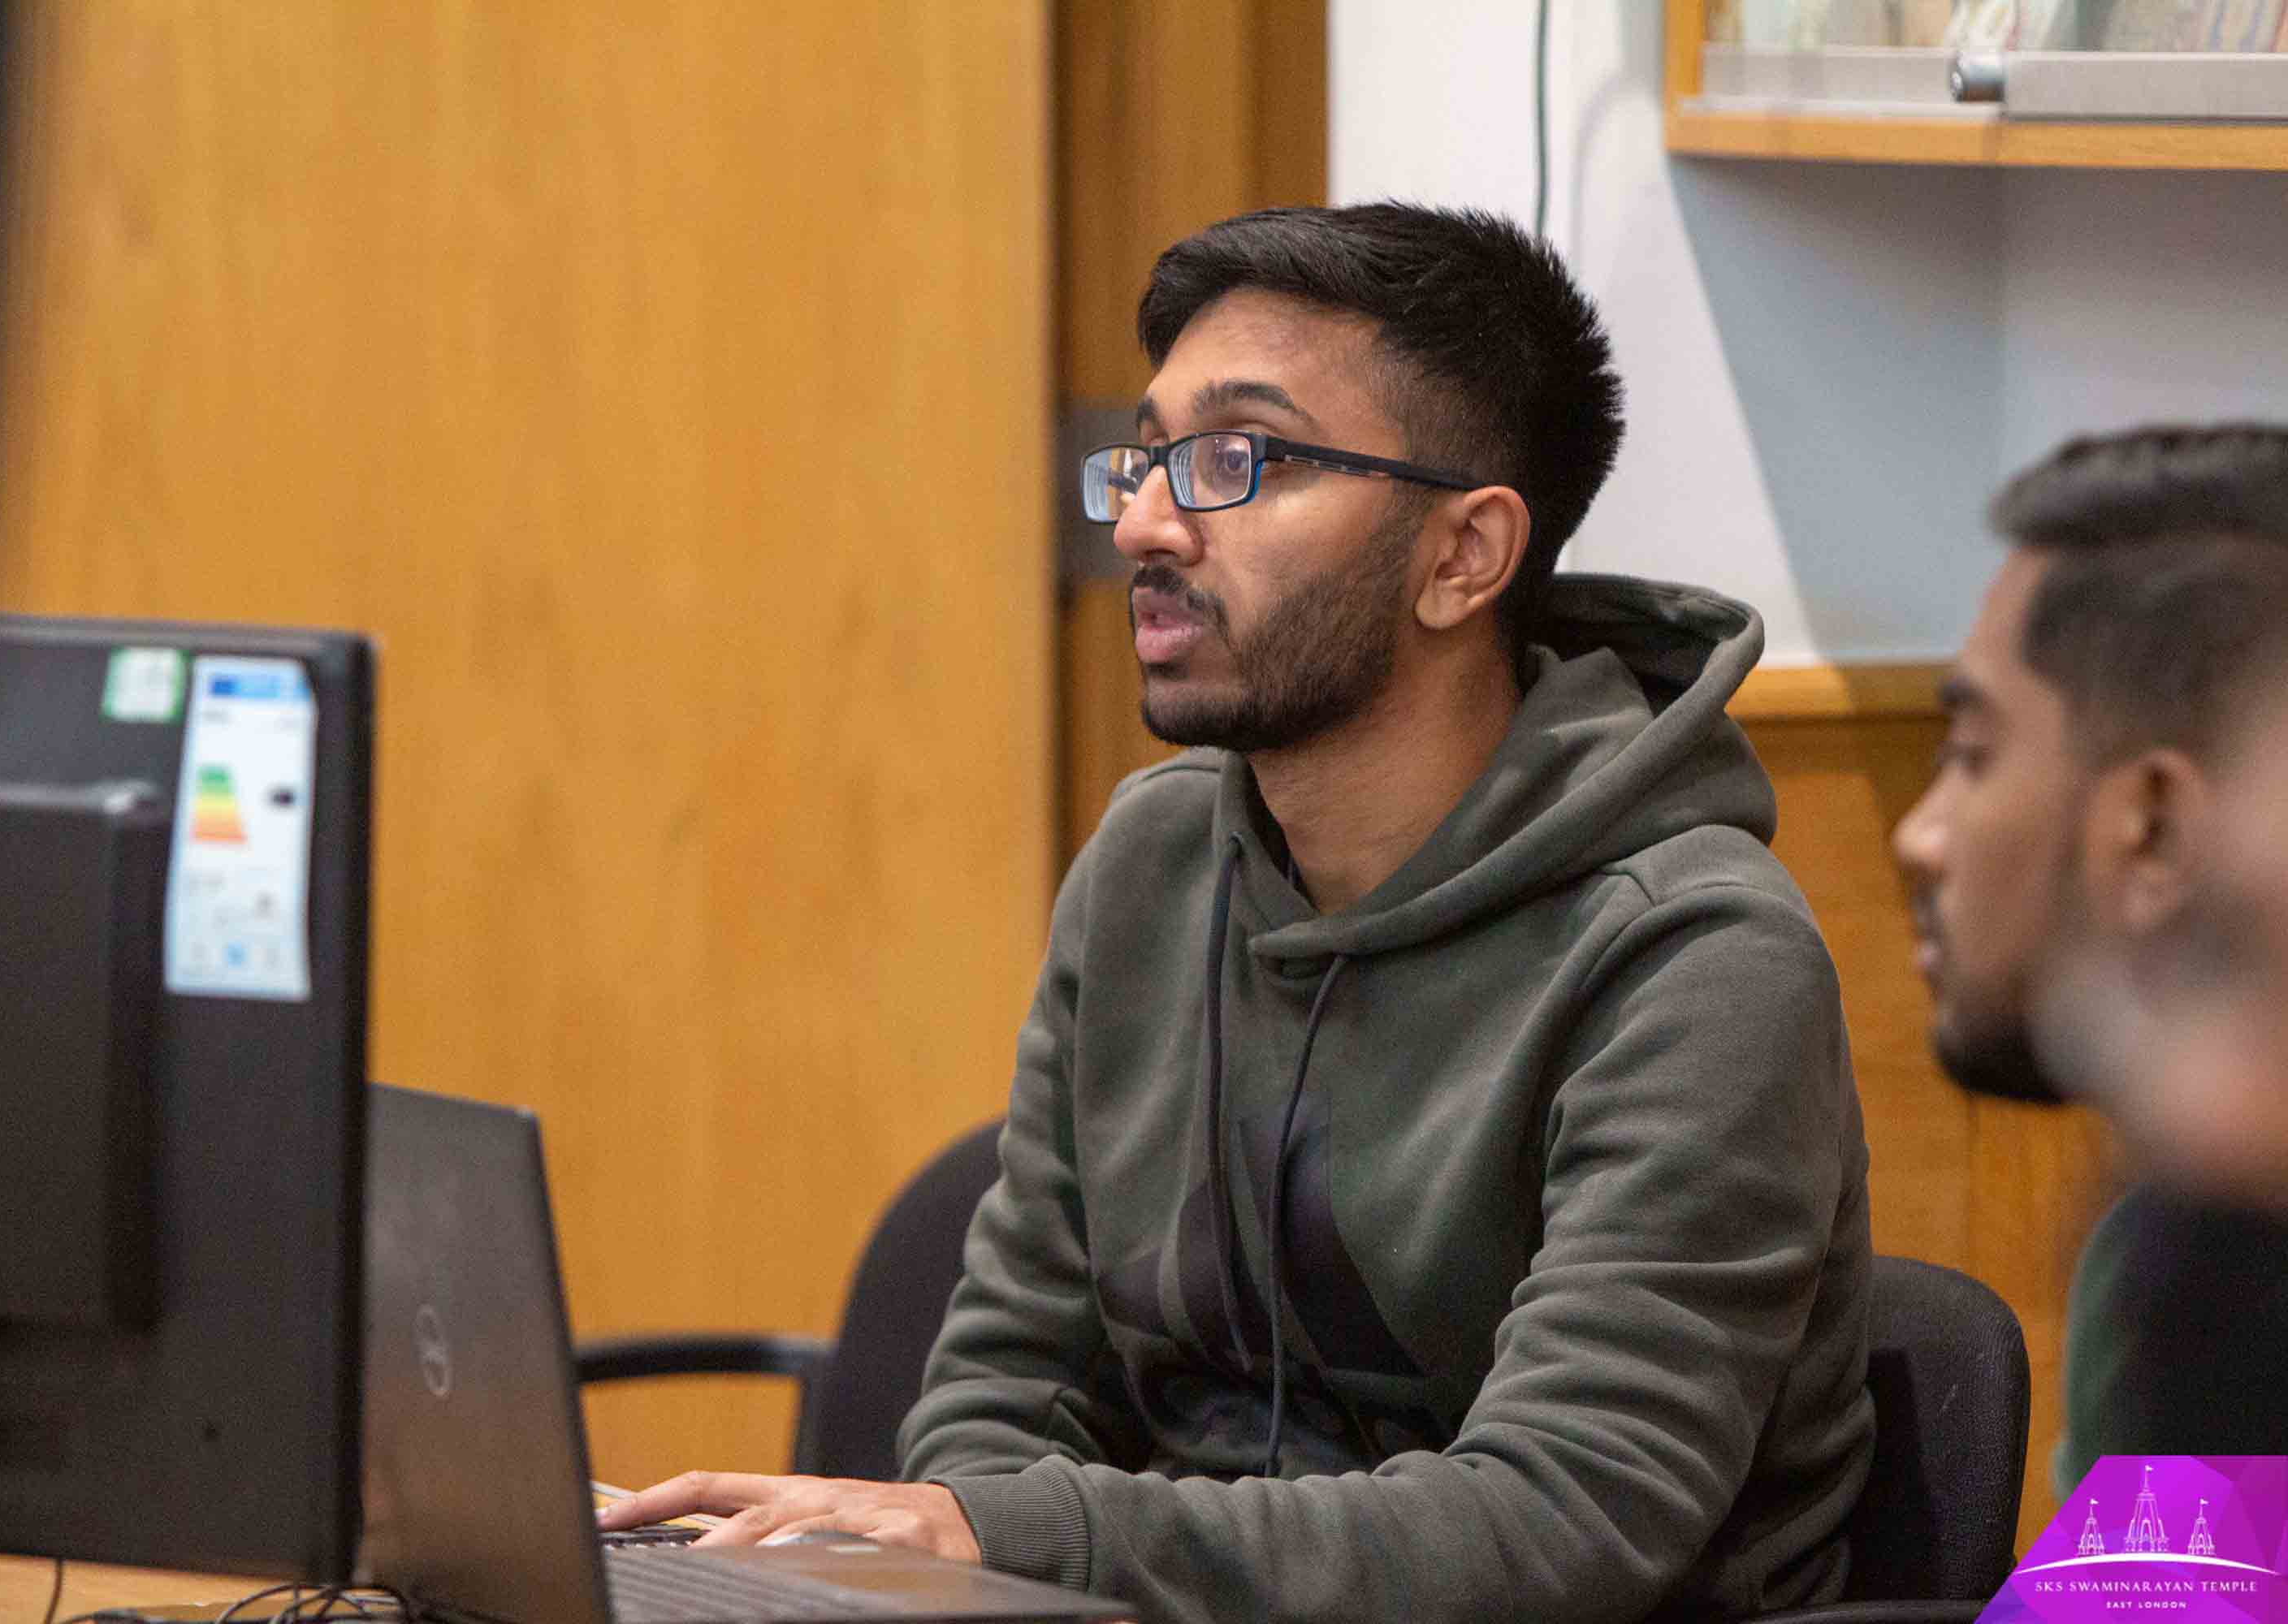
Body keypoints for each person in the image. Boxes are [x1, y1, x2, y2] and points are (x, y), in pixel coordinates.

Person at [604, 203, 1875, 1622]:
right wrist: (978, 1551)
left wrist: (1028, 1539)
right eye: (1147, 457)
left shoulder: (1693, 958)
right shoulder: (1153, 866)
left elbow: (1562, 1523)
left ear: (1463, 555)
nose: (1146, 519)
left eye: (1236, 461)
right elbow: (1001, 1391)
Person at [1889, 421, 2288, 1501]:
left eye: (1975, 757)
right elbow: (2155, 1594)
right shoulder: (2170, 1239)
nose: (1921, 836)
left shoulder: (2223, 1253)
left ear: (2154, 829)